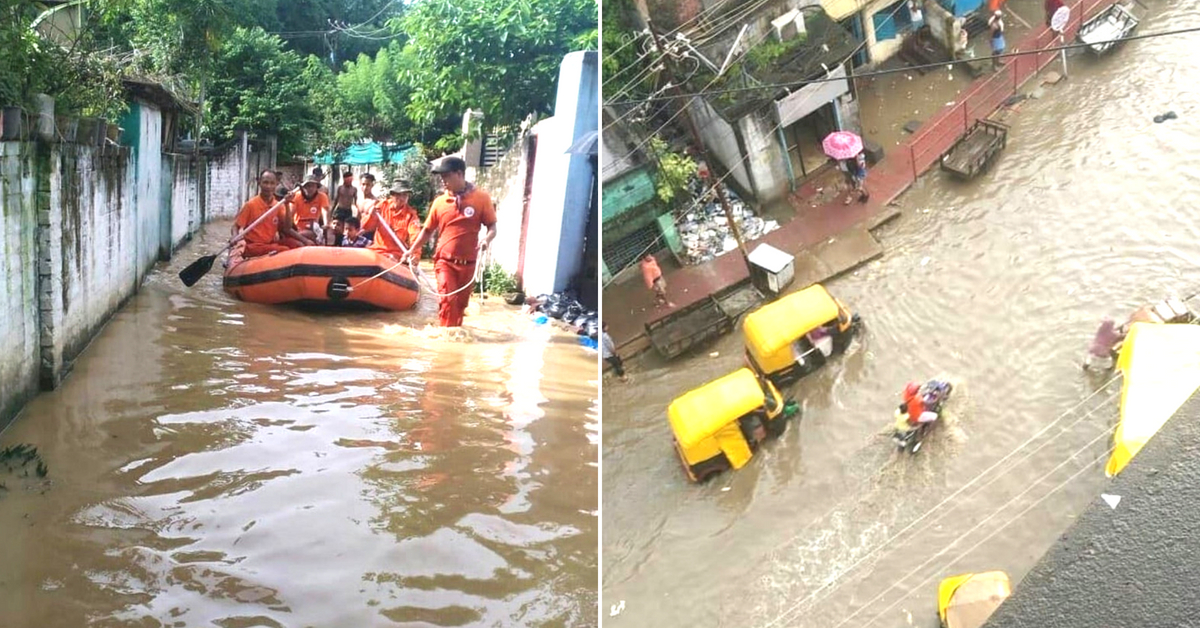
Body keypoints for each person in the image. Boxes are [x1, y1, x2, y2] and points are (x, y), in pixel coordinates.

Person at [402, 156, 498, 328]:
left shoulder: (481, 199)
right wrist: (412, 250)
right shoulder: (439, 202)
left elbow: (492, 226)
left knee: (460, 307)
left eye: (446, 176)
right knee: (448, 301)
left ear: (459, 174)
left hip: (469, 263)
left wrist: (486, 239)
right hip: (445, 262)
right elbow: (427, 230)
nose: (443, 181)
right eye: (441, 177)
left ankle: (453, 338)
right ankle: (446, 344)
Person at [231, 169, 294, 258]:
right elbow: (235, 226)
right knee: (285, 251)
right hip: (253, 246)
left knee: (294, 244)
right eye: (265, 182)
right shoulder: (250, 205)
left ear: (276, 184)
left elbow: (287, 228)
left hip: (270, 244)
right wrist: (235, 237)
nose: (268, 186)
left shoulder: (278, 205)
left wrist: (287, 205)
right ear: (259, 183)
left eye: (272, 183)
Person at [364, 180, 423, 257]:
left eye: (405, 195)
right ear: (392, 195)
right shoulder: (382, 206)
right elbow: (366, 227)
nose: (402, 198)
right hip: (378, 252)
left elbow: (415, 235)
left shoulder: (411, 214)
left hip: (397, 255)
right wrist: (371, 216)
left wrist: (415, 254)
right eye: (398, 195)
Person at [283, 174, 330, 247]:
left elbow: (325, 211)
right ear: (303, 187)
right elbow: (290, 214)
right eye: (307, 186)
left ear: (316, 187)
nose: (310, 189)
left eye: (312, 186)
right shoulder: (297, 196)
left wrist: (326, 224)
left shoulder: (322, 196)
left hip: (314, 228)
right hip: (298, 228)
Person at [331, 170, 358, 245]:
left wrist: (358, 213)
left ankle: (344, 243)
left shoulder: (354, 189)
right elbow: (336, 200)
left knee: (347, 227)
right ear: (344, 179)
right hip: (340, 210)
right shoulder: (340, 188)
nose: (349, 181)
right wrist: (332, 212)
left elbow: (356, 202)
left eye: (350, 179)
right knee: (337, 228)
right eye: (347, 179)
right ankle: (336, 242)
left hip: (348, 211)